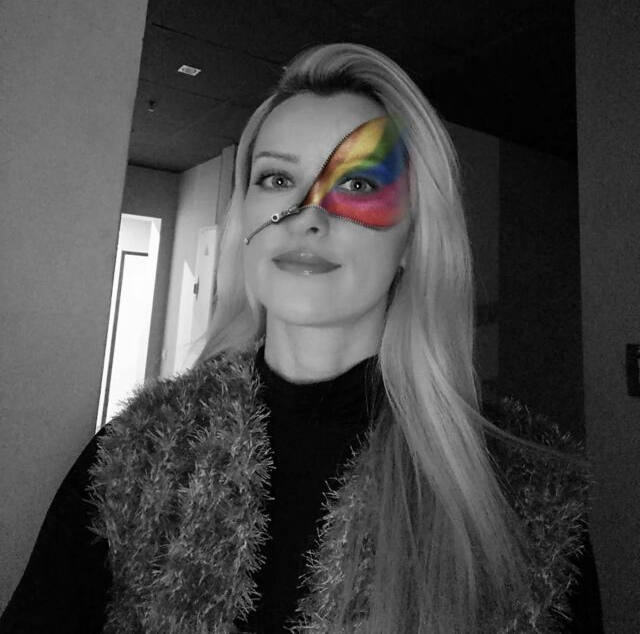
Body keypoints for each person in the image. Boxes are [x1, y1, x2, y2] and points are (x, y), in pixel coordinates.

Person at [1, 43, 601, 633]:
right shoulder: (135, 458)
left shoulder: (526, 498)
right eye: (277, 177)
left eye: (358, 184)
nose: (310, 215)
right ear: (243, 219)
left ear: (413, 238)